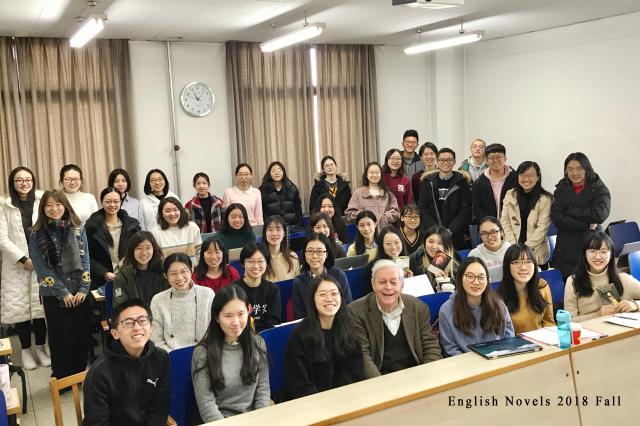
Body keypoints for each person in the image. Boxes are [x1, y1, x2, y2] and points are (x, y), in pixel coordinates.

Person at [28, 189, 93, 378]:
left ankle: (80, 374)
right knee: (60, 338)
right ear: (42, 208)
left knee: (81, 335)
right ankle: (62, 378)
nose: (54, 209)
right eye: (49, 205)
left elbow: (85, 259)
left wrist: (84, 288)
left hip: (79, 292)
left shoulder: (78, 228)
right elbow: (41, 269)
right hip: (53, 295)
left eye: (58, 204)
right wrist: (63, 293)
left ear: (65, 206)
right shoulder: (36, 234)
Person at [83, 299, 170, 426]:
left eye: (142, 320)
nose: (137, 327)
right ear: (115, 333)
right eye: (128, 323)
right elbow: (97, 422)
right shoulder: (98, 373)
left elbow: (159, 408)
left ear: (151, 327)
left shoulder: (161, 358)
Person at [348, 260, 441, 378]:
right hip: (379, 379)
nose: (388, 287)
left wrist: (428, 376)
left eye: (393, 282)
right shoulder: (356, 312)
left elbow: (430, 345)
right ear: (373, 284)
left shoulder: (418, 307)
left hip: (417, 375)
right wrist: (381, 384)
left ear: (401, 285)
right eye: (382, 282)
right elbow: (362, 356)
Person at [191, 285, 270, 422]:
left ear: (249, 310)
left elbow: (263, 393)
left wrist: (261, 421)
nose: (236, 322)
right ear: (217, 317)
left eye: (241, 314)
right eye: (228, 316)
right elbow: (207, 406)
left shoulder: (257, 343)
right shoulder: (203, 353)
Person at [283, 275, 364, 401]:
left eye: (334, 293)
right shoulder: (299, 335)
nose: (329, 299)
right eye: (322, 295)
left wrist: (343, 399)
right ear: (312, 299)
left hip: (346, 400)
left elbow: (355, 373)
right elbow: (299, 385)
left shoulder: (348, 328)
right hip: (311, 403)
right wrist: (326, 403)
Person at [0, 167, 48, 369]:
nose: (24, 183)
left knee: (40, 307)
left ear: (33, 181)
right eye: (19, 180)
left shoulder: (42, 201)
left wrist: (41, 258)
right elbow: (2, 238)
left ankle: (41, 348)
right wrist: (23, 259)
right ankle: (26, 350)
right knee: (20, 309)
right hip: (16, 266)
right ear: (13, 183)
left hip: (42, 262)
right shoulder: (4, 206)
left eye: (28, 179)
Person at [551, 153, 611, 279]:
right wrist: (586, 225)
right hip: (565, 247)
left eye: (579, 168)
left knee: (594, 282)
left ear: (587, 169)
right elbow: (557, 218)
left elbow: (599, 215)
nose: (574, 173)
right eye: (570, 169)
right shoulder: (561, 188)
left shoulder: (599, 188)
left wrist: (572, 211)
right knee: (567, 284)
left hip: (590, 244)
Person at [439, 257, 515, 356]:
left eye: (481, 277)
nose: (476, 282)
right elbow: (450, 349)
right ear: (460, 278)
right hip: (466, 363)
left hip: (499, 360)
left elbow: (509, 338)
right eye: (470, 276)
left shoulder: (498, 304)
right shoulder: (446, 310)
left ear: (488, 280)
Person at [564, 232, 640, 322]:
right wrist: (597, 314)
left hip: (622, 330)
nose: (598, 257)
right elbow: (568, 321)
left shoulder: (624, 279)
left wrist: (635, 305)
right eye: (592, 251)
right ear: (585, 254)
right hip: (589, 330)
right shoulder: (573, 281)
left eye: (603, 252)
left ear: (610, 255)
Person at [150, 253, 214, 351]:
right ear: (165, 276)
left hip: (205, 352)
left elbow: (214, 332)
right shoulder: (158, 300)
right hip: (171, 355)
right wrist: (174, 355)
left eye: (183, 271)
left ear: (192, 270)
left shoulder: (207, 295)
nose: (179, 278)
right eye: (173, 273)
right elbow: (156, 340)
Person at [86, 187, 141, 290]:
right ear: (102, 202)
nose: (112, 205)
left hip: (129, 278)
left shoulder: (132, 226)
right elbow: (87, 256)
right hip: (102, 281)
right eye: (108, 202)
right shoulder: (91, 226)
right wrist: (103, 272)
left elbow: (138, 251)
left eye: (116, 201)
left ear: (121, 202)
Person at [500, 161, 553, 267]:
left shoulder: (546, 199)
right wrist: (513, 246)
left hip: (536, 252)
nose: (526, 179)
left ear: (538, 177)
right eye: (522, 175)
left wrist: (525, 251)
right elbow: (504, 220)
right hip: (513, 249)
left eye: (531, 175)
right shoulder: (510, 194)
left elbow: (542, 228)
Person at [418, 148, 471, 250]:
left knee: (454, 259)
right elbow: (423, 208)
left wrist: (450, 229)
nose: (445, 163)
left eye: (449, 160)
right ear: (437, 162)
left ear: (454, 162)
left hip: (455, 233)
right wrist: (436, 230)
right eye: (442, 160)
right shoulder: (428, 182)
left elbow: (465, 209)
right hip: (432, 233)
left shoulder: (462, 182)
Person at [496, 244, 554, 334]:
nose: (523, 267)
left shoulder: (541, 286)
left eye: (528, 261)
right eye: (516, 262)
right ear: (507, 266)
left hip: (542, 340)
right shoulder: (499, 296)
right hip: (515, 342)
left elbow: (549, 323)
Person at [292, 233, 353, 319]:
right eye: (310, 251)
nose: (314, 256)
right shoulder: (299, 282)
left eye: (320, 251)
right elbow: (300, 316)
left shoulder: (339, 275)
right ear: (304, 253)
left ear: (326, 254)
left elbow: (348, 308)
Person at [231, 243, 281, 332]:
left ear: (267, 263)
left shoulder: (273, 290)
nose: (256, 266)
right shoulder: (233, 290)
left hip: (265, 336)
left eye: (260, 261)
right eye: (250, 261)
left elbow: (273, 322)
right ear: (243, 263)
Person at [113, 231, 169, 308]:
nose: (144, 253)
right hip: (135, 314)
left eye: (148, 248)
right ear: (132, 250)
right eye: (139, 248)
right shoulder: (123, 275)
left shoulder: (163, 272)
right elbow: (121, 305)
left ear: (154, 249)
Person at [345, 162, 400, 230]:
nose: (374, 175)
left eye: (377, 172)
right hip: (365, 232)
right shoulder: (358, 193)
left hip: (385, 232)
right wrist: (364, 216)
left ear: (381, 175)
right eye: (371, 172)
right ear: (366, 175)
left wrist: (385, 218)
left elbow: (396, 212)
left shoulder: (388, 194)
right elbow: (349, 213)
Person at [471, 143, 517, 222]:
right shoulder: (479, 183)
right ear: (486, 160)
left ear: (505, 158)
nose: (495, 160)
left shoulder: (516, 179)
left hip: (513, 225)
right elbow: (477, 208)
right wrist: (486, 224)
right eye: (491, 158)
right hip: (489, 226)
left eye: (499, 157)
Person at [151, 197, 201, 266]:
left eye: (175, 210)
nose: (172, 214)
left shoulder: (192, 227)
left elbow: (199, 252)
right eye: (167, 211)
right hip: (167, 271)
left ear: (181, 211)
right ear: (161, 213)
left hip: (191, 270)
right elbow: (156, 258)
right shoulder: (156, 232)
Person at [409, 225, 460, 291]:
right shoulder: (415, 260)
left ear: (447, 245)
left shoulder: (456, 265)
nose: (434, 246)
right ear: (424, 242)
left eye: (440, 243)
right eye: (430, 242)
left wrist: (445, 283)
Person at [364, 226, 410, 295]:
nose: (393, 247)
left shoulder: (410, 262)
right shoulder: (373, 267)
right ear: (382, 246)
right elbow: (370, 293)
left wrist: (410, 280)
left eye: (396, 242)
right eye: (388, 244)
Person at [259, 161, 303, 227]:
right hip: (272, 228)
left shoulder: (292, 189)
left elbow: (298, 209)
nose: (277, 173)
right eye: (273, 171)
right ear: (269, 173)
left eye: (279, 170)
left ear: (283, 172)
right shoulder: (263, 190)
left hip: (292, 227)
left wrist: (299, 225)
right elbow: (261, 212)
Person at [468, 216, 511, 283]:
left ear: (501, 232)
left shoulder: (512, 250)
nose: (490, 237)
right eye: (484, 234)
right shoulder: (474, 255)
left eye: (493, 232)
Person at [261, 215, 300, 282]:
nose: (274, 233)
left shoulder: (293, 257)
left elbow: (297, 284)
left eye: (278, 229)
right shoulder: (258, 258)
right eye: (270, 229)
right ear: (265, 233)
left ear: (284, 233)